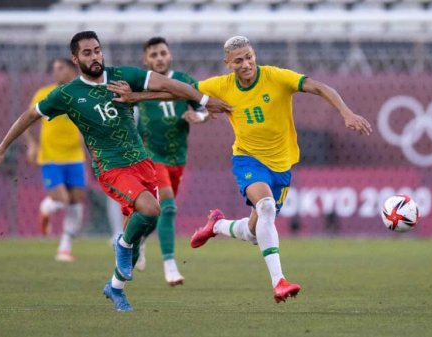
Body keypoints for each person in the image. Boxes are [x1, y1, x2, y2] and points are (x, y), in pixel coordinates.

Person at [108, 36, 372, 303]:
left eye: (249, 57)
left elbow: (319, 87)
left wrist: (346, 113)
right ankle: (278, 281)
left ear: (254, 55)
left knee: (255, 233)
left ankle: (218, 226)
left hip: (281, 165)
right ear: (228, 64)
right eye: (238, 60)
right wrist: (136, 97)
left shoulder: (276, 77)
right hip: (248, 160)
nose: (246, 64)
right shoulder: (221, 85)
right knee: (266, 207)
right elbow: (179, 91)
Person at [0, 31, 232, 312]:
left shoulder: (123, 76)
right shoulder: (67, 94)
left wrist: (202, 101)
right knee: (151, 210)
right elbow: (30, 115)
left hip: (142, 163)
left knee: (144, 228)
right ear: (75, 58)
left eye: (97, 50)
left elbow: (170, 85)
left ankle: (115, 287)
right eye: (87, 53)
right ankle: (124, 245)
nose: (94, 57)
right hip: (111, 167)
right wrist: (1, 149)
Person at [133, 36, 209, 286]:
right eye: (153, 55)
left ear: (170, 55)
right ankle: (170, 266)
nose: (159, 58)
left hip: (178, 157)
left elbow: (205, 106)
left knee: (159, 213)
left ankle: (139, 240)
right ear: (146, 60)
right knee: (169, 207)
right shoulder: (140, 84)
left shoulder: (184, 81)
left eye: (162, 53)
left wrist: (200, 117)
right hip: (151, 156)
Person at [24, 58, 85, 262]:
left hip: (75, 157)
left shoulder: (82, 93)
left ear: (72, 70)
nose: (56, 72)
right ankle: (46, 208)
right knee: (61, 200)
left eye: (60, 68)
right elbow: (27, 122)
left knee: (76, 203)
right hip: (50, 156)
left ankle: (64, 249)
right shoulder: (44, 94)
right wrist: (32, 145)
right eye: (54, 69)